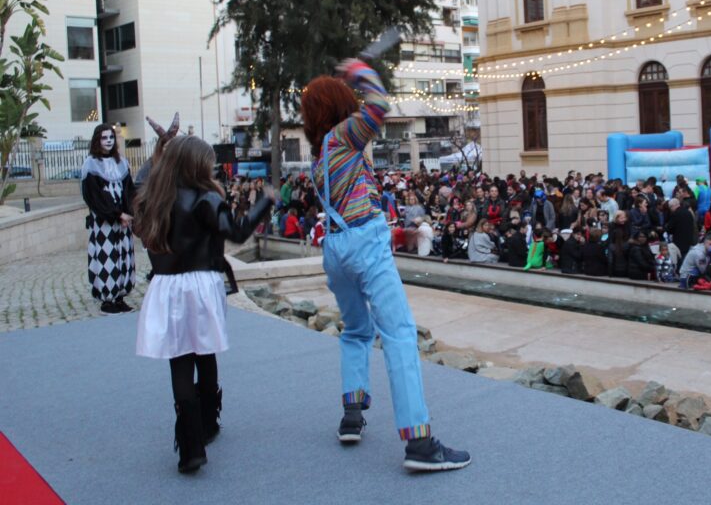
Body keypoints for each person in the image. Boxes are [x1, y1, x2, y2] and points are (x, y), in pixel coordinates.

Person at [299, 59, 469, 471]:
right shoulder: (343, 138)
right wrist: (361, 71)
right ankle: (420, 442)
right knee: (399, 333)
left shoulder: (320, 156)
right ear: (340, 106)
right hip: (363, 243)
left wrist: (397, 236)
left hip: (336, 250)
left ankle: (352, 416)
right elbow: (378, 106)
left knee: (357, 330)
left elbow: (349, 213)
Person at [134, 135, 275, 473]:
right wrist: (264, 202)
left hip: (166, 286)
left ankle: (190, 446)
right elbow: (238, 233)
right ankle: (209, 421)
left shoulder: (153, 198)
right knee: (205, 351)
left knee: (179, 361)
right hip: (199, 283)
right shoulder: (205, 199)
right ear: (197, 164)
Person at [82, 124, 137, 315]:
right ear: (97, 140)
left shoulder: (121, 162)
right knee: (107, 258)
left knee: (124, 257)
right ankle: (107, 299)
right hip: (104, 222)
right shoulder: (90, 164)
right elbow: (94, 196)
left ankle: (120, 296)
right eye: (104, 138)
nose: (108, 141)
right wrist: (115, 214)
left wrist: (128, 213)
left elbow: (129, 190)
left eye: (111, 138)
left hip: (123, 222)